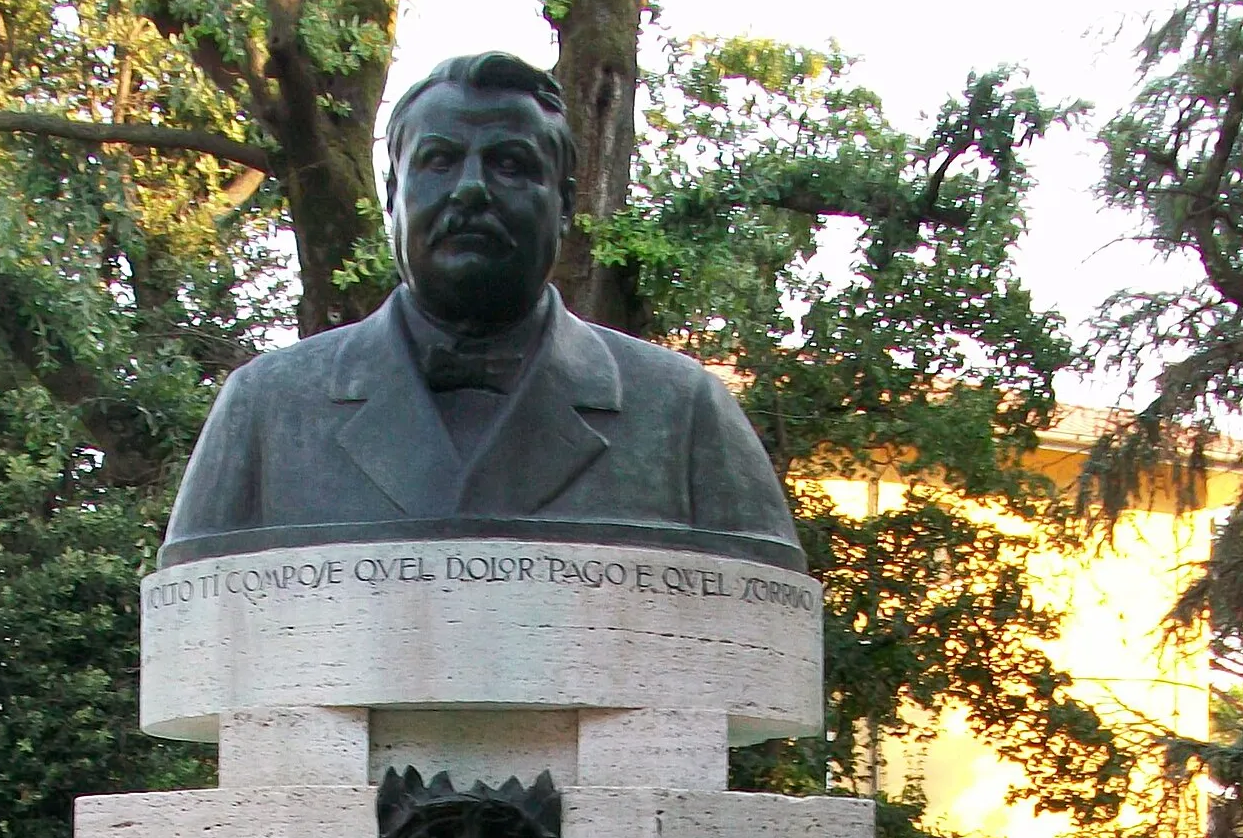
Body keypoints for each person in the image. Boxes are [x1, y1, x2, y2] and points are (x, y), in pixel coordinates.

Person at [160, 50, 802, 569]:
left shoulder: (687, 414)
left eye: (511, 164)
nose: (471, 189)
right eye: (439, 161)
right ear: (393, 195)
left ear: (566, 202)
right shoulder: (265, 409)